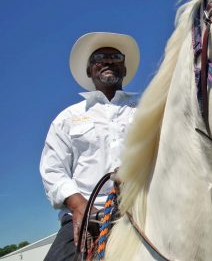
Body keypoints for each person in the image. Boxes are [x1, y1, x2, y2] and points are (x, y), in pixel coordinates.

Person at [40, 32, 140, 260]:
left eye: (115, 56)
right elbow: (53, 171)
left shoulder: (146, 109)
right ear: (89, 70)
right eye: (99, 58)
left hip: (143, 207)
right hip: (87, 213)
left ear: (124, 68)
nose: (107, 60)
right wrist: (79, 206)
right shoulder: (67, 118)